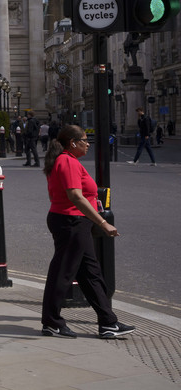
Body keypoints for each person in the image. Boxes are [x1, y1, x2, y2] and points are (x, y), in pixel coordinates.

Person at [41, 125, 136, 340]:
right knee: (62, 273)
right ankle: (52, 323)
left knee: (91, 274)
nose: (87, 144)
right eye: (84, 140)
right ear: (72, 143)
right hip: (71, 223)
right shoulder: (67, 161)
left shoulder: (68, 161)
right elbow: (75, 196)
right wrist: (103, 223)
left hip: (74, 222)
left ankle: (108, 322)